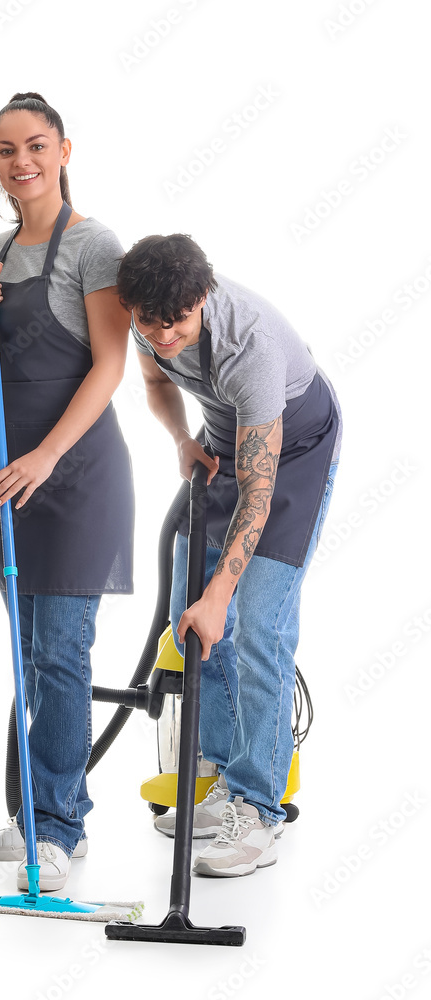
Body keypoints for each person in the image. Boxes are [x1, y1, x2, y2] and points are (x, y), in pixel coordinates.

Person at [117, 233, 341, 877]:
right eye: (148, 323)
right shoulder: (152, 321)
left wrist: (222, 595)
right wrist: (182, 437)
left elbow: (259, 494)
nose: (162, 336)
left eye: (177, 322)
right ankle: (221, 781)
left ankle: (260, 808)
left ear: (204, 299)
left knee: (257, 626)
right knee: (193, 623)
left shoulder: (252, 348)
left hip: (291, 453)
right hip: (222, 439)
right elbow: (156, 381)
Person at [0, 93, 134, 893]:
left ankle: (61, 828)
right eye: (4, 149)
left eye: (34, 145)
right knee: (30, 660)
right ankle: (35, 814)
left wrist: (46, 457)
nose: (19, 161)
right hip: (9, 474)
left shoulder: (95, 245)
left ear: (65, 148)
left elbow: (108, 365)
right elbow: (6, 370)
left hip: (74, 477)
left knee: (63, 655)